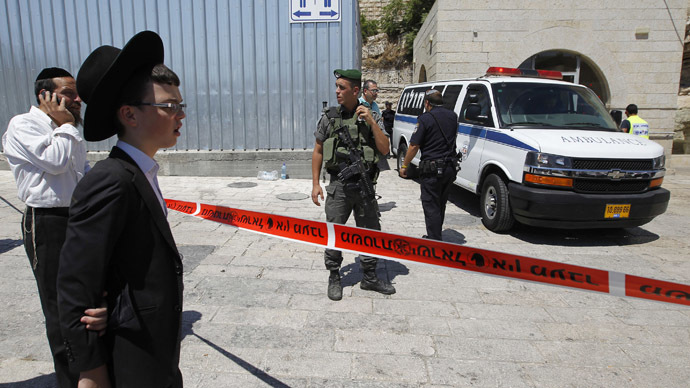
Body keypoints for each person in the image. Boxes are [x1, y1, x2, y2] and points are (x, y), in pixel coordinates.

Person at [57, 31, 185, 387]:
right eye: (169, 106)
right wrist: (91, 372)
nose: (180, 115)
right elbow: (75, 284)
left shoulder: (142, 171)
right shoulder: (111, 180)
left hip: (153, 353)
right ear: (129, 114)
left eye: (181, 105)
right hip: (127, 361)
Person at [2, 67, 107, 388]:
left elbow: (79, 169)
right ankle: (69, 377)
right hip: (48, 223)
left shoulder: (67, 128)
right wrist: (65, 127)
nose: (77, 100)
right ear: (45, 96)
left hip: (78, 218)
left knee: (85, 297)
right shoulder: (24, 125)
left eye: (76, 94)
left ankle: (93, 368)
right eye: (69, 94)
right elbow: (56, 161)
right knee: (58, 304)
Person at [312, 69, 395, 301]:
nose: (337, 91)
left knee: (369, 232)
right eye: (337, 87)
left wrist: (370, 120)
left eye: (342, 87)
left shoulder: (372, 115)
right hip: (338, 186)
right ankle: (334, 276)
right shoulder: (329, 117)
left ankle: (369, 277)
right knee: (334, 232)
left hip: (365, 186)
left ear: (355, 91)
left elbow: (385, 148)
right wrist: (315, 184)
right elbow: (318, 150)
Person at [399, 89, 459, 241]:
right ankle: (436, 234)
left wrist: (404, 166)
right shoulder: (453, 116)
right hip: (449, 167)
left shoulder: (425, 118)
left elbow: (413, 146)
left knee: (430, 204)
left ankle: (434, 241)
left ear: (427, 103)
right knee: (440, 203)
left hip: (432, 169)